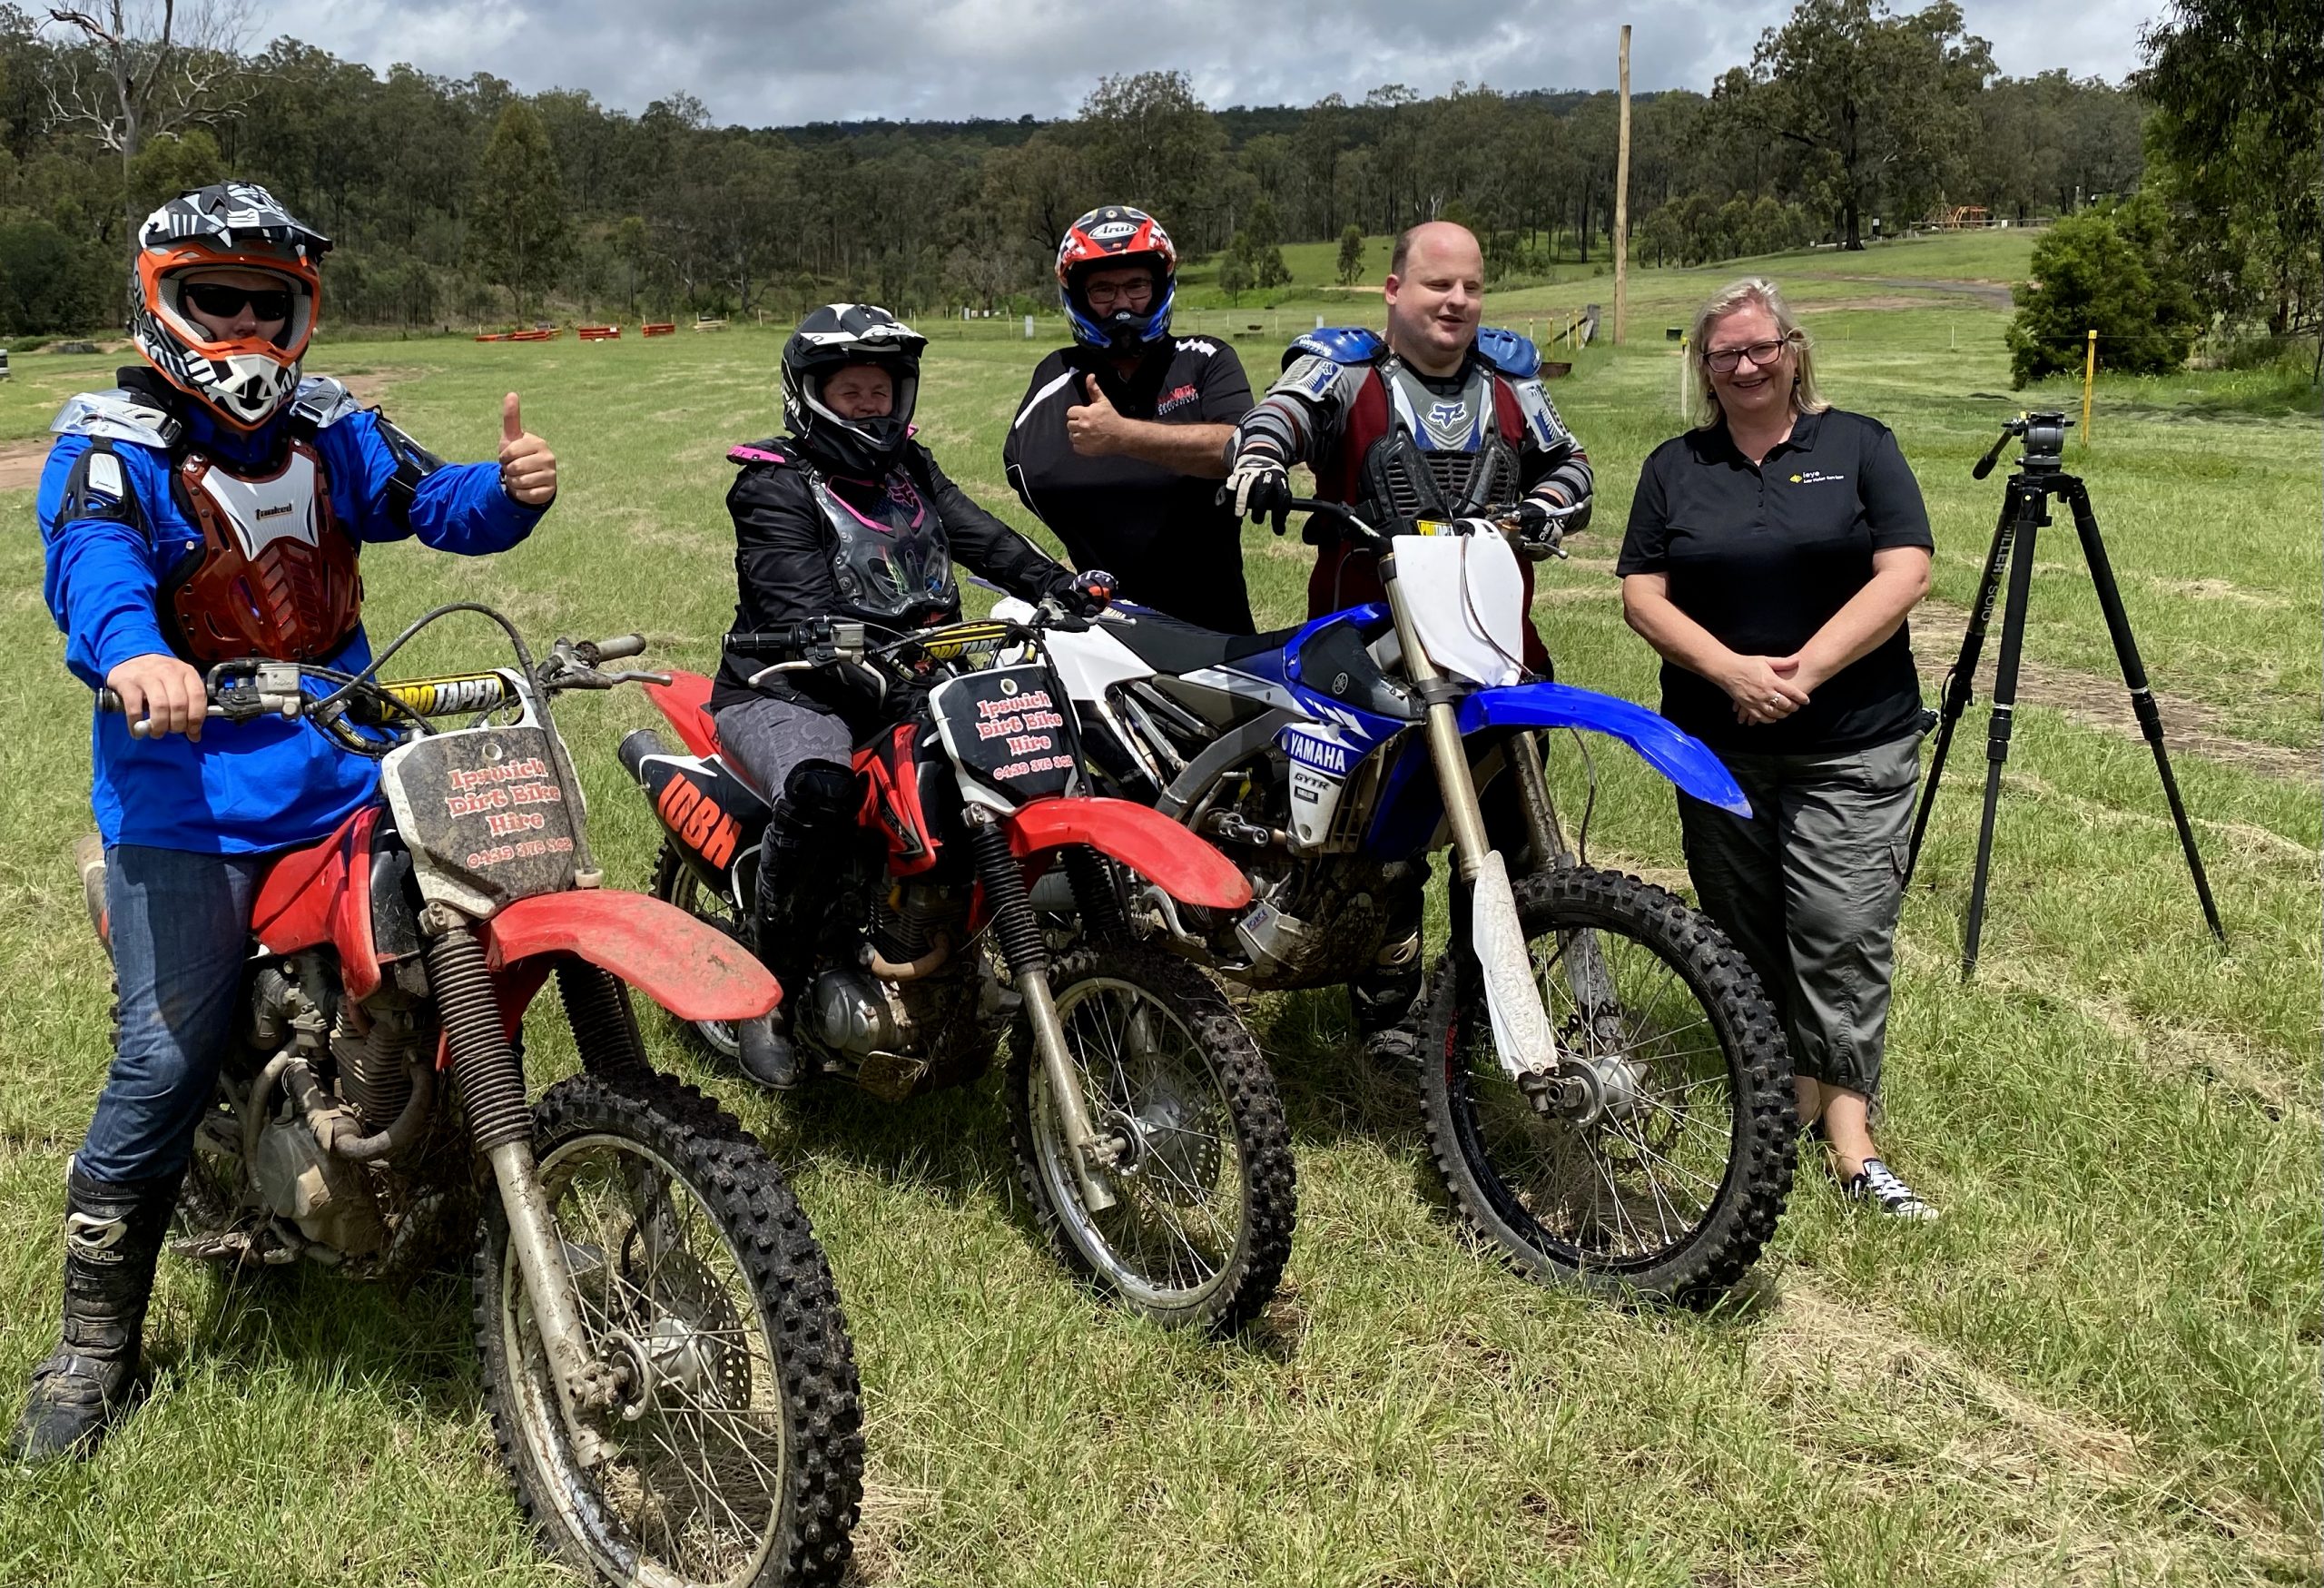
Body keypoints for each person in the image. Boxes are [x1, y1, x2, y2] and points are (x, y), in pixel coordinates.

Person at [20, 182, 558, 1462]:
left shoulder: (331, 431)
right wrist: (136, 655)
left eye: (272, 303)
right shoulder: (111, 444)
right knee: (160, 1060)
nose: (249, 328)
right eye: (221, 300)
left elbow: (434, 502)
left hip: (349, 768)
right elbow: (91, 566)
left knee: (467, 942)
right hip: (186, 802)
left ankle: (450, 1176)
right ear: (162, 301)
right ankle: (93, 1347)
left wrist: (513, 489)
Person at [711, 302, 1111, 1087]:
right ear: (811, 395)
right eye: (850, 390)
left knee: (1034, 750)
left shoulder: (910, 471)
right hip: (789, 689)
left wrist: (1058, 583)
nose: (869, 404)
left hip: (910, 679)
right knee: (821, 789)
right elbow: (792, 598)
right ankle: (770, 992)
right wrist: (831, 641)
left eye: (880, 390)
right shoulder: (773, 485)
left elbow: (979, 535)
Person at [1218, 220, 1594, 1048]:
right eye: (1437, 284)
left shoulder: (1511, 380)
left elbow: (1573, 465)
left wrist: (1544, 504)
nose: (1456, 301)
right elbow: (1278, 417)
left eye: (1470, 286)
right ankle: (1387, 1008)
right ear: (1395, 291)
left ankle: (1487, 1012)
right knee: (1375, 850)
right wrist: (1263, 460)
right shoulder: (1345, 373)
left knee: (1515, 841)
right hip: (1371, 660)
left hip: (1499, 653)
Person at [1616, 276, 1937, 1220]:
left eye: (1761, 347)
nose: (1746, 365)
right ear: (1702, 367)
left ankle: (1848, 1144)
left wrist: (1801, 672)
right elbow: (1641, 593)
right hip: (1716, 747)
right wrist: (1733, 676)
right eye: (1725, 354)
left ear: (1794, 349)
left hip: (1852, 742)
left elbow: (1906, 569)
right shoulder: (1676, 466)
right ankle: (1779, 1111)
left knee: (1839, 934)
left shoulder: (1859, 447)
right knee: (1746, 938)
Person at [1004, 204, 1256, 633]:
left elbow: (1237, 446)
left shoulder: (1205, 359)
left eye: (1137, 285)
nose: (1122, 304)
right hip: (1106, 628)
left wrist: (1122, 438)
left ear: (1160, 287)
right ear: (1079, 297)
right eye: (1103, 290)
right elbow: (1025, 471)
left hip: (1217, 625)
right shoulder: (1057, 374)